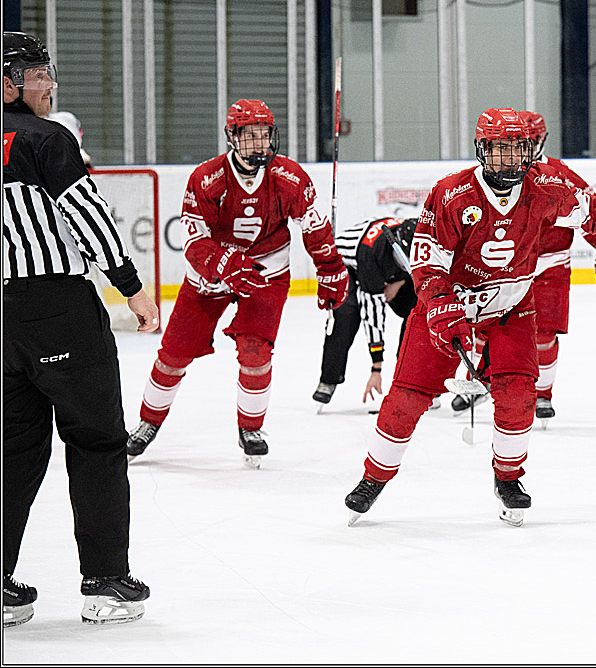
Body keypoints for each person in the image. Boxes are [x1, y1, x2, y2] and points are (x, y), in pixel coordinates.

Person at [343, 107, 596, 527]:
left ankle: (508, 478)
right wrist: (441, 307)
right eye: (499, 149)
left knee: (517, 397)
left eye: (517, 149)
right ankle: (374, 478)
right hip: (448, 308)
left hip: (511, 306)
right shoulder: (451, 194)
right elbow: (427, 263)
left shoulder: (547, 188)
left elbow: (593, 213)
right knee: (407, 397)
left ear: (530, 149)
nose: (509, 159)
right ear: (482, 149)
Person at [3, 31, 159, 627]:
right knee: (96, 440)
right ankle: (104, 582)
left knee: (13, 453)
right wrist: (133, 289)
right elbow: (89, 214)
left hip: (4, 321)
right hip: (59, 312)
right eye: (40, 74)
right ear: (13, 81)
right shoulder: (47, 139)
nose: (50, 84)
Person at [125, 99, 349, 468]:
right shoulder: (207, 177)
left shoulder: (289, 177)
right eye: (251, 136)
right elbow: (194, 242)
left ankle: (251, 428)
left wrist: (330, 270)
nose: (260, 144)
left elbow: (315, 226)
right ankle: (147, 423)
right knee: (174, 354)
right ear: (232, 137)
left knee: (256, 351)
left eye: (265, 135)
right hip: (211, 277)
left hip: (265, 272)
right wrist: (224, 262)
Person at [450, 110, 596, 423]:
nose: (525, 147)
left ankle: (543, 394)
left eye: (530, 141)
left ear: (541, 139)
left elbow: (590, 214)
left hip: (550, 267)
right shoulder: (495, 172)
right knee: (484, 326)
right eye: (519, 141)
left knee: (544, 333)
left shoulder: (558, 173)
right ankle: (476, 379)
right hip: (504, 266)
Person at [313, 215, 418, 407]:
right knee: (346, 316)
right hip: (350, 267)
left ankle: (410, 377)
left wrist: (400, 281)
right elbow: (374, 316)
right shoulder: (372, 253)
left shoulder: (419, 238)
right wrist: (376, 368)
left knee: (418, 312)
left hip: (392, 272)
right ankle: (329, 378)